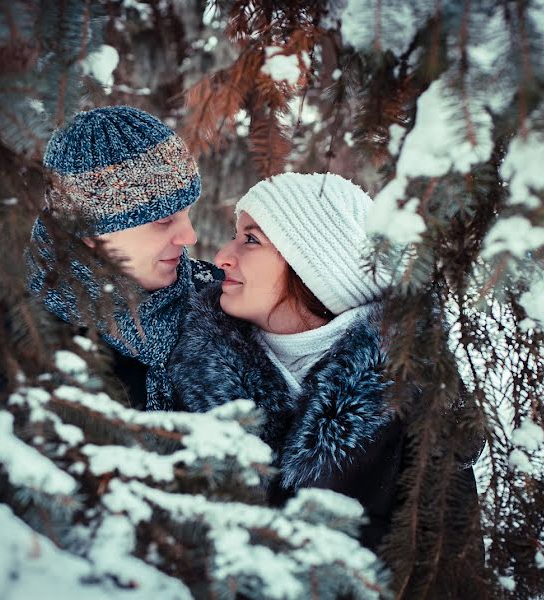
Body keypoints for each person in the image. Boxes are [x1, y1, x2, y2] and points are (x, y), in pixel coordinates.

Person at [168, 172, 481, 554]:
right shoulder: (189, 367)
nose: (222, 257)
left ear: (316, 265)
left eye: (251, 239)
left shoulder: (414, 401)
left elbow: (446, 574)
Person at [0, 106, 220, 410]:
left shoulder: (214, 296)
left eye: (187, 214)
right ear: (90, 233)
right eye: (162, 221)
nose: (189, 237)